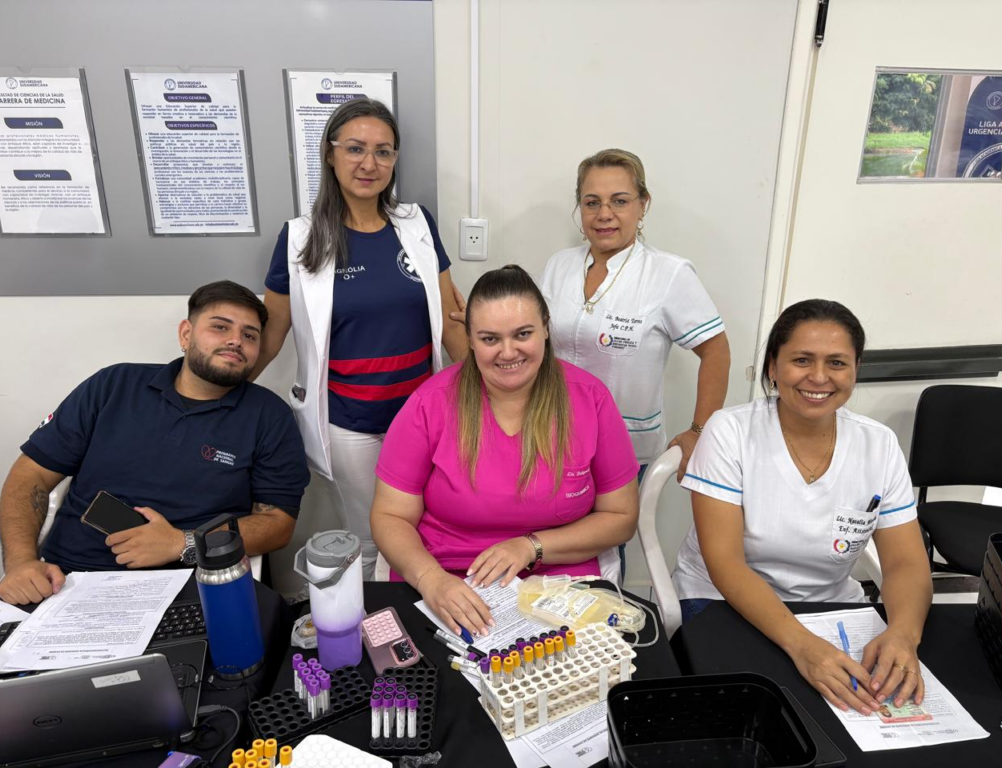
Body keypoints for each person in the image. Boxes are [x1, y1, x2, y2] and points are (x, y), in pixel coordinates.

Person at [672, 299, 932, 715]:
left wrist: (903, 633)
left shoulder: (878, 444)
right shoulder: (730, 432)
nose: (819, 377)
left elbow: (906, 563)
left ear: (856, 369)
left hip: (829, 609)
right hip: (720, 602)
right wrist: (802, 645)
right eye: (801, 360)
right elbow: (725, 563)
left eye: (837, 363)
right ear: (773, 367)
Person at [253, 98, 466, 580]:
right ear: (330, 155)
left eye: (383, 151)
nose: (369, 163)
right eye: (355, 148)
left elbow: (453, 317)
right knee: (374, 535)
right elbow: (271, 333)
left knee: (431, 528)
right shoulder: (300, 238)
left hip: (425, 415)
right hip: (350, 424)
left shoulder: (416, 224)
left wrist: (483, 391)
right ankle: (375, 629)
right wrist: (215, 394)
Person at [0, 281, 310, 605]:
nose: (235, 341)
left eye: (250, 335)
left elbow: (277, 524)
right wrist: (20, 563)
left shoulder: (270, 416)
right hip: (69, 580)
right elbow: (29, 476)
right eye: (220, 327)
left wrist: (183, 542)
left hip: (192, 587)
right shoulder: (113, 386)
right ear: (186, 335)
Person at [370, 265, 640, 636]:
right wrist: (431, 580)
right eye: (489, 339)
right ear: (469, 339)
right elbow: (390, 515)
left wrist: (532, 547)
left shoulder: (590, 400)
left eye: (523, 334)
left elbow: (621, 516)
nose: (507, 352)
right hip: (447, 579)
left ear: (546, 327)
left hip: (557, 579)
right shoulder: (429, 405)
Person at [540, 149, 730, 485]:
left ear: (643, 205)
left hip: (623, 449)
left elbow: (716, 351)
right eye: (592, 202)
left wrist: (699, 431)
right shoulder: (559, 265)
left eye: (620, 201)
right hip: (549, 436)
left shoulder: (669, 273)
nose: (604, 214)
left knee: (605, 537)